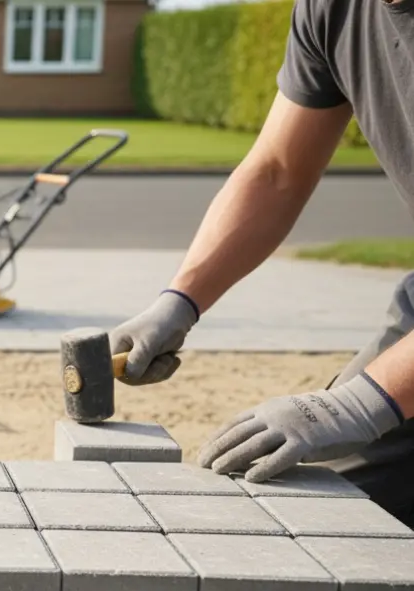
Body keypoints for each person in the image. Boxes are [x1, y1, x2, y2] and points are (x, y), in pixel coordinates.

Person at [109, 0, 414, 525]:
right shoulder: (333, 9)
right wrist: (180, 301)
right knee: (336, 516)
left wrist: (362, 403)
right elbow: (277, 171)